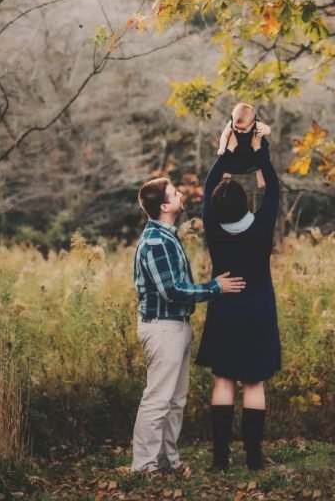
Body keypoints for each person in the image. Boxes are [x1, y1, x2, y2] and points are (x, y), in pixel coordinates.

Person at [132, 176, 246, 475]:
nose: (180, 193)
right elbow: (173, 290)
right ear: (165, 206)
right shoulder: (157, 241)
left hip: (175, 326)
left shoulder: (167, 236)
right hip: (162, 328)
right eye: (174, 192)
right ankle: (143, 466)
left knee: (175, 401)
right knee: (158, 399)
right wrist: (215, 288)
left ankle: (167, 460)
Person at [196, 139, 281, 471]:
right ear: (246, 204)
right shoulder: (261, 226)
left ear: (215, 206)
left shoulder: (213, 227)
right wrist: (259, 153)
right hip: (259, 310)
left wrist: (225, 153)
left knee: (223, 381)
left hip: (224, 308)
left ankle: (220, 459)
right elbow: (272, 188)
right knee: (255, 382)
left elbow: (207, 188)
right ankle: (254, 459)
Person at [217, 102, 272, 190]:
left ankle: (260, 174)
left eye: (243, 129)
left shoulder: (257, 124)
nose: (239, 131)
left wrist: (264, 131)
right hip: (237, 150)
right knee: (225, 152)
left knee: (262, 154)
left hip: (252, 151)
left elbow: (268, 129)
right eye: (236, 128)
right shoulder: (230, 124)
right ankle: (226, 171)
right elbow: (224, 136)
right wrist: (222, 147)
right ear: (232, 119)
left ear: (252, 122)